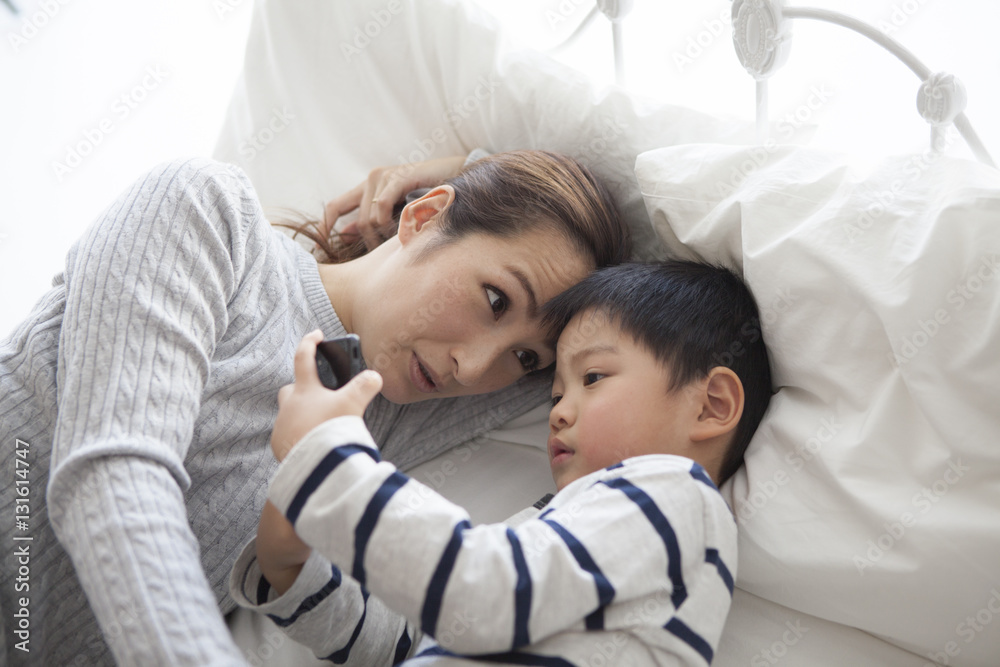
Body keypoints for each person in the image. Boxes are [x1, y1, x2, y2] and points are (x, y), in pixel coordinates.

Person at [0, 150, 630, 665]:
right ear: (425, 215)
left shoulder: (405, 403)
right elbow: (112, 479)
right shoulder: (211, 215)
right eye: (495, 300)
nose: (475, 366)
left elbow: (655, 321)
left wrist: (475, 164)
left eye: (525, 360)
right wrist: (468, 161)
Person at [230, 261, 773, 666]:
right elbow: (410, 640)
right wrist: (295, 570)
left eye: (593, 378)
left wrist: (331, 461)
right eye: (556, 393)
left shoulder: (674, 500)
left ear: (711, 405)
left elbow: (479, 588)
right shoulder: (560, 524)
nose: (558, 413)